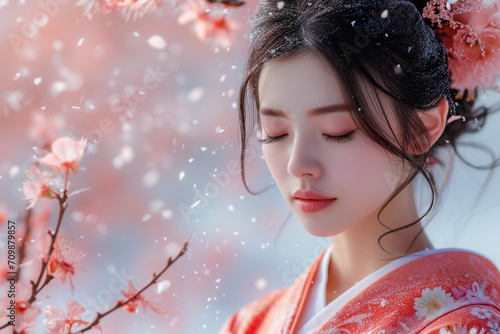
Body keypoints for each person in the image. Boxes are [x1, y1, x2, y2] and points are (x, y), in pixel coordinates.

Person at [220, 0, 500, 333]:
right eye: (276, 133)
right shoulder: (251, 324)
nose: (298, 164)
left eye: (336, 132)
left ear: (423, 128)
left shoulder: (465, 323)